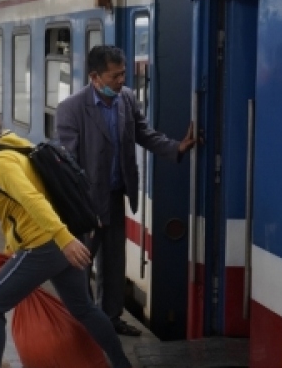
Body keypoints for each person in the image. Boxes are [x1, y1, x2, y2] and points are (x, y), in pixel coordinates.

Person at [0, 99, 139, 368]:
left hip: (45, 244)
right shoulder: (8, 143)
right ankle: (121, 366)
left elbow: (32, 199)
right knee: (83, 307)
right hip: (59, 240)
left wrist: (62, 239)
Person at [55, 45, 196, 337]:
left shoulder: (127, 99)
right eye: (115, 76)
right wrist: (76, 205)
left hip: (117, 195)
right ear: (95, 77)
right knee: (81, 263)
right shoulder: (72, 108)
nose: (122, 81)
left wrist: (176, 147)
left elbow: (144, 134)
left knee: (114, 262)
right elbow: (67, 161)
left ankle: (111, 318)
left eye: (123, 74)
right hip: (86, 202)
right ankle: (78, 322)